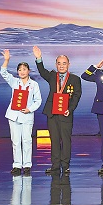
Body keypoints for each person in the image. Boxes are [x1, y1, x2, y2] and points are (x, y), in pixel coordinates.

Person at [32, 46, 82, 175]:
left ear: (68, 65)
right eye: (59, 63)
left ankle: (65, 166)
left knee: (66, 140)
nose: (61, 66)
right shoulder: (52, 76)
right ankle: (55, 166)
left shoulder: (75, 79)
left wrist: (70, 109)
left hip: (66, 113)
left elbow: (76, 96)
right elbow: (42, 71)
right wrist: (39, 58)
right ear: (56, 65)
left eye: (64, 63)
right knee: (54, 140)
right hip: (52, 113)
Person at [1, 50, 42, 176]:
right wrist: (7, 60)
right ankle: (17, 165)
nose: (22, 72)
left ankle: (27, 165)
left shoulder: (34, 84)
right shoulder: (14, 82)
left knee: (27, 140)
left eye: (24, 69)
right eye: (19, 70)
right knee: (16, 141)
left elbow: (38, 100)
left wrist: (30, 109)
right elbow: (3, 73)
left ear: (28, 71)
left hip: (27, 116)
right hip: (13, 115)